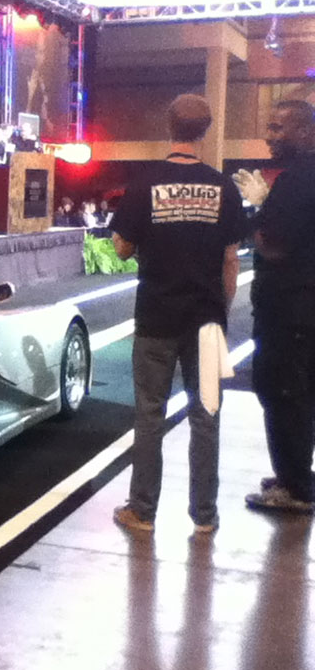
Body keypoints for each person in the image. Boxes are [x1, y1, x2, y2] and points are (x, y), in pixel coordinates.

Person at [110, 94, 246, 534]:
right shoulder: (224, 188)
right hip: (207, 322)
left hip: (156, 317)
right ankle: (205, 515)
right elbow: (231, 261)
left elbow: (122, 247)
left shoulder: (144, 184)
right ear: (206, 130)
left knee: (150, 415)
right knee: (207, 417)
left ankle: (142, 511)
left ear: (169, 126)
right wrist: (220, 313)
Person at [233, 100, 315, 513]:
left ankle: (295, 487)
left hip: (289, 309)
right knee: (303, 394)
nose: (269, 135)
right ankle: (295, 473)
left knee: (282, 393)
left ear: (305, 131)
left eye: (278, 128)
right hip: (306, 307)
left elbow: (274, 246)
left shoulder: (297, 180)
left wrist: (257, 211)